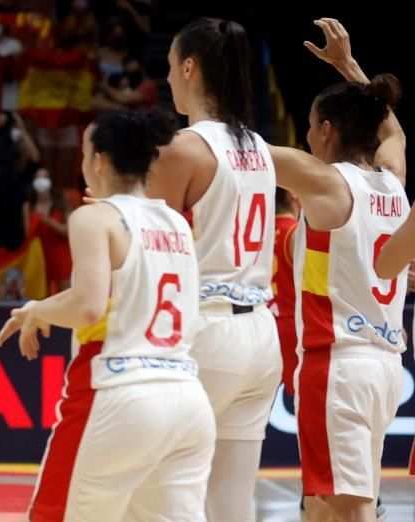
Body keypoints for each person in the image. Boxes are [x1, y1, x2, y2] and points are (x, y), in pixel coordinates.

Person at [0, 109, 216, 521]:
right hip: (187, 398)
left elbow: (88, 305)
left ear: (99, 161)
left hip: (121, 390)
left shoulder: (93, 217)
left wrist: (37, 309)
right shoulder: (178, 223)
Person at [268, 18, 406, 522]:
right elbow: (393, 131)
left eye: (308, 125)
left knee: (347, 511)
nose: (306, 136)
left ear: (326, 131)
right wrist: (350, 67)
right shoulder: (393, 180)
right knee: (328, 504)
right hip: (385, 366)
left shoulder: (328, 184)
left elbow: (245, 156)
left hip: (339, 365)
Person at [146, 18, 281, 521]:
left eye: (169, 68)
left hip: (206, 328)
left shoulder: (184, 149)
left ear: (188, 66)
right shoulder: (262, 150)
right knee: (231, 502)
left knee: (162, 491)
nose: (167, 80)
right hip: (260, 334)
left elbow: (146, 248)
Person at [22, 167, 71, 293]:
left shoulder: (61, 202)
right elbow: (28, 235)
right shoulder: (28, 206)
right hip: (39, 256)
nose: (41, 181)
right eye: (38, 177)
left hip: (60, 253)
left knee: (65, 294)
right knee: (42, 295)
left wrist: (49, 221)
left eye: (45, 177)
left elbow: (69, 231)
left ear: (51, 181)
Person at [270, 188, 299, 396]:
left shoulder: (256, 231)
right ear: (292, 192)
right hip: (291, 327)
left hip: (258, 322)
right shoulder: (295, 232)